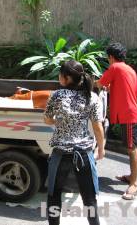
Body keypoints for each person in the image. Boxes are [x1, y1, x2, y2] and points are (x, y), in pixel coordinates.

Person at [44, 60, 105, 225]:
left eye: (60, 74)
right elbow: (97, 126)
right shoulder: (92, 97)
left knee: (54, 195)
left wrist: (59, 121)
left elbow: (48, 120)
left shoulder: (56, 96)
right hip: (84, 154)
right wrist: (101, 149)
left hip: (60, 154)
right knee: (90, 199)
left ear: (66, 78)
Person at [96, 42, 137, 200]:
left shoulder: (115, 67)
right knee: (132, 146)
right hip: (130, 113)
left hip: (128, 115)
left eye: (108, 58)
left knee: (132, 148)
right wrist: (111, 88)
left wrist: (88, 83)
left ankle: (134, 184)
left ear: (111, 57)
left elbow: (99, 84)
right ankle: (131, 177)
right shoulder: (129, 69)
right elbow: (126, 89)